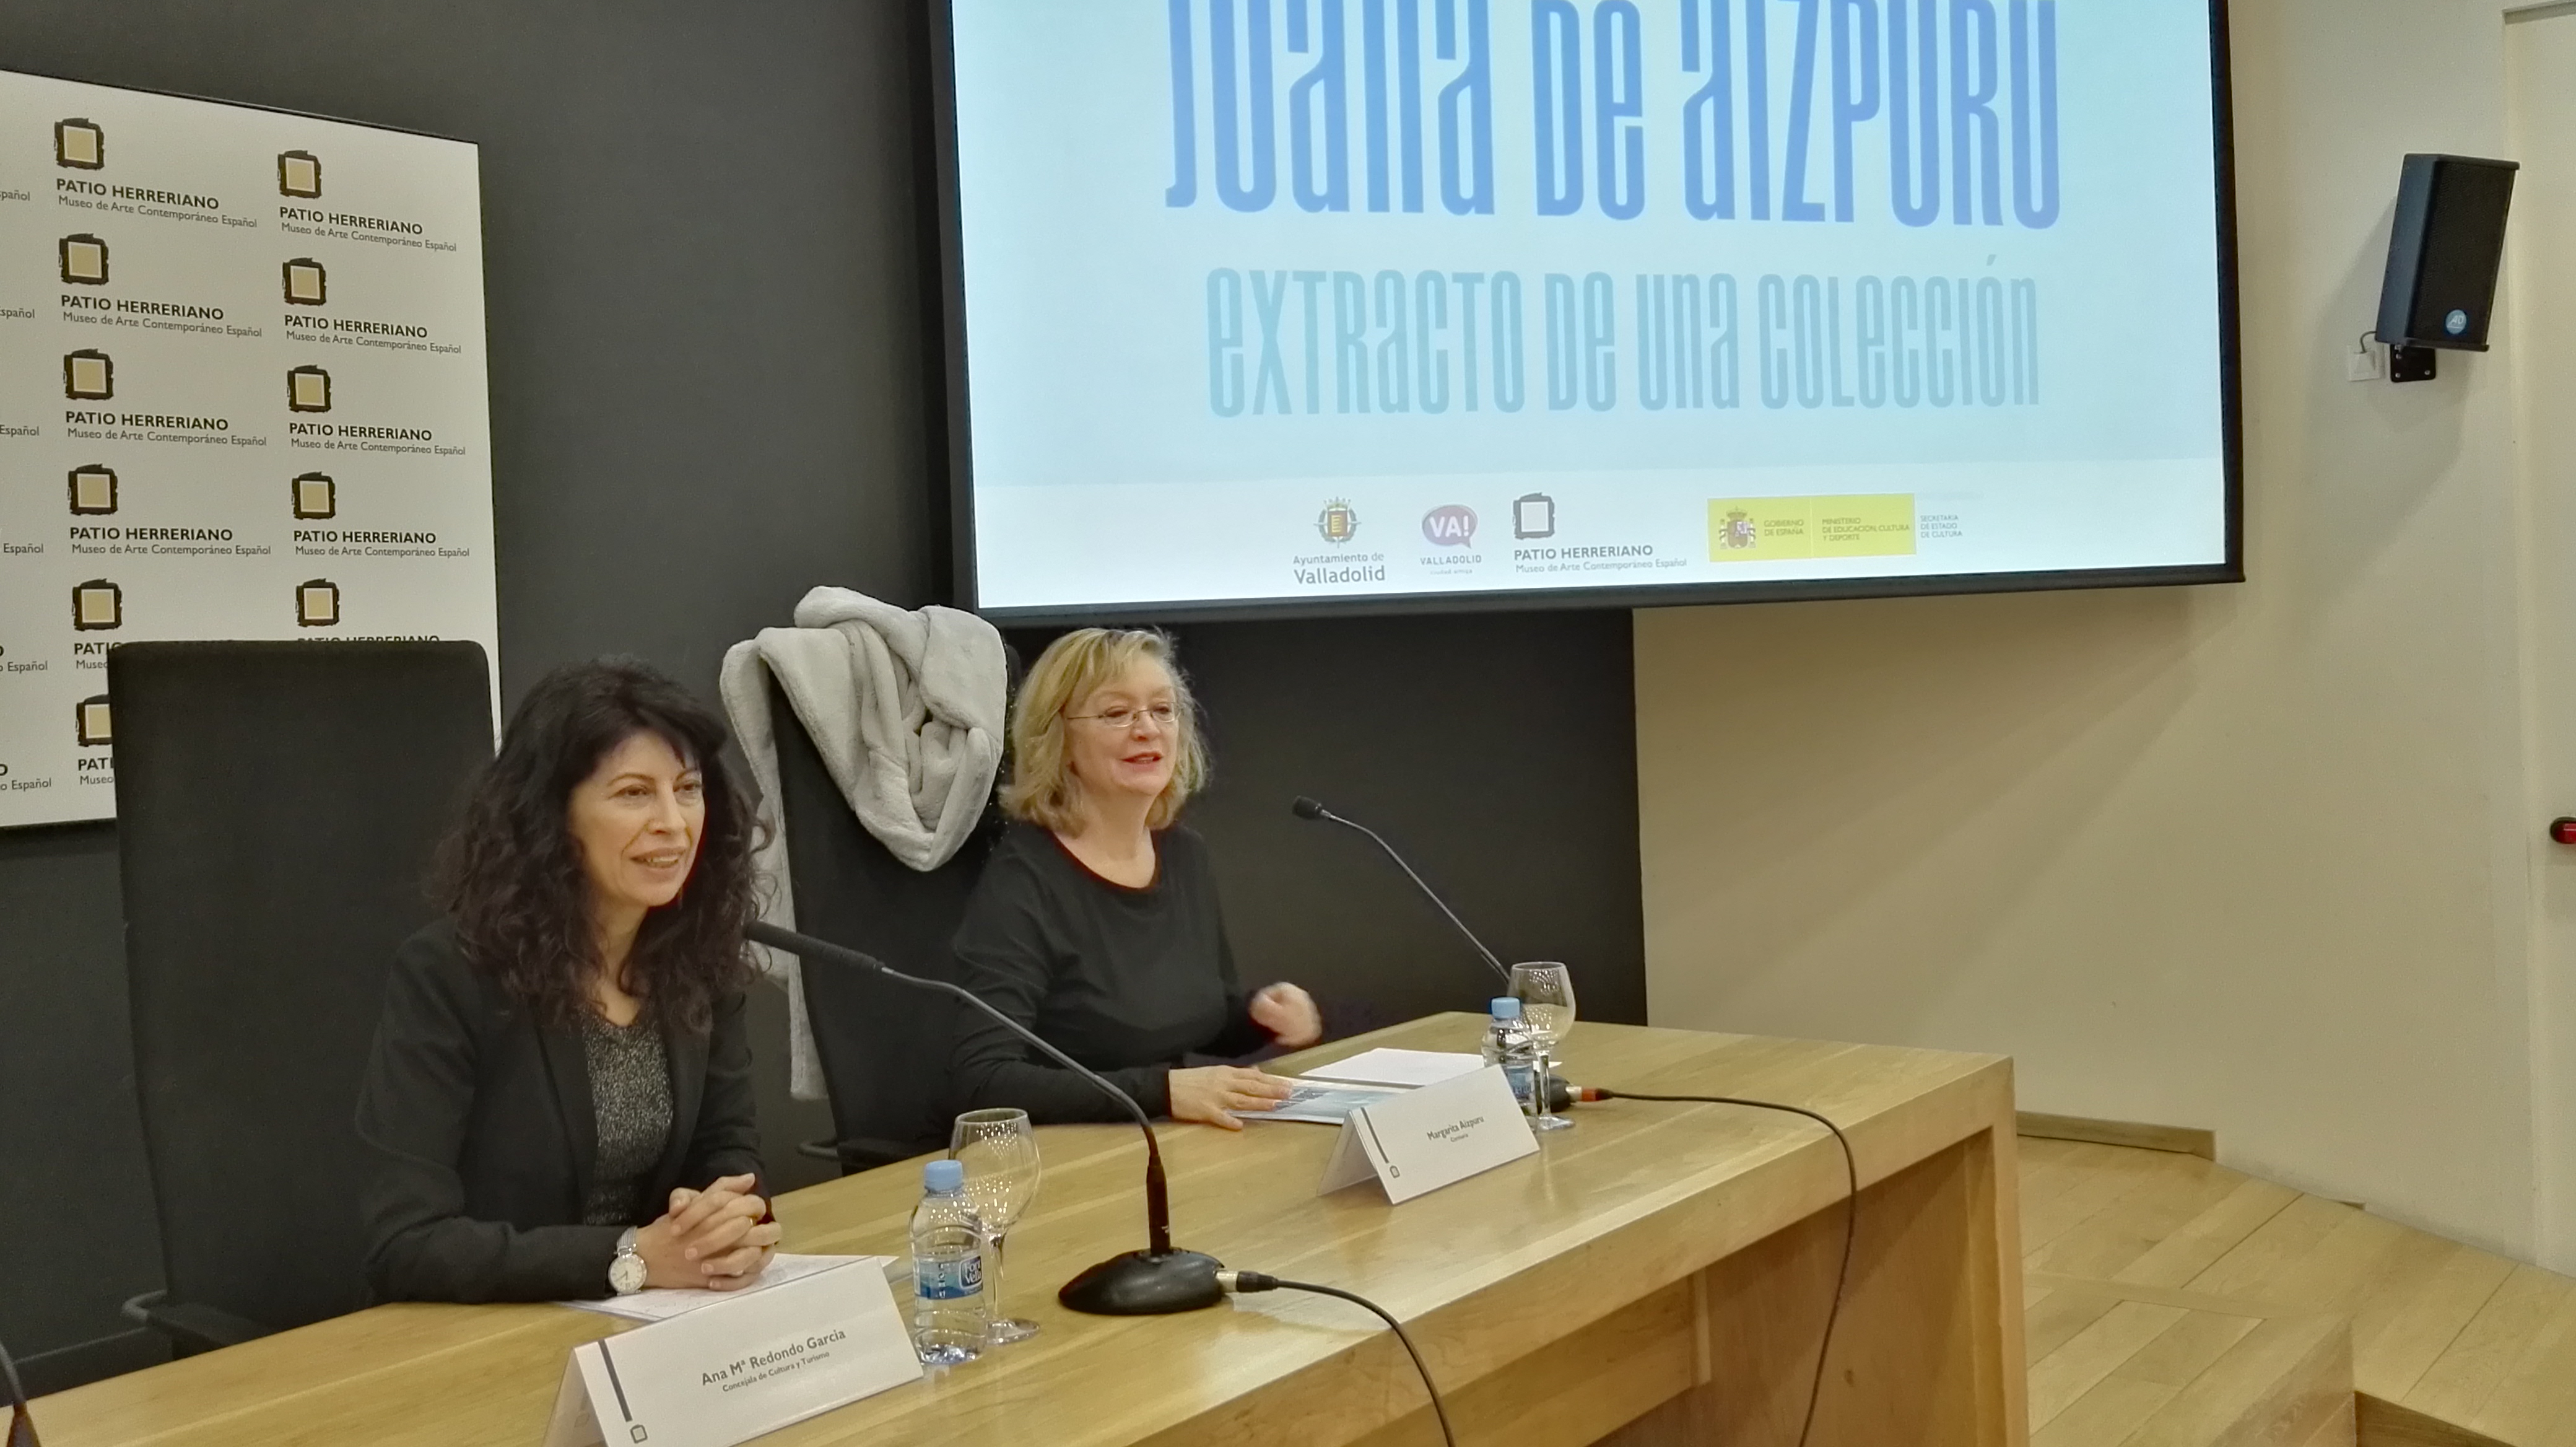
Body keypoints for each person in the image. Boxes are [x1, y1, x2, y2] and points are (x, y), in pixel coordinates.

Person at [356, 659, 781, 1303]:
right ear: (552, 814)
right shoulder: (449, 975)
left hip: (651, 1317)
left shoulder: (695, 957)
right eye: (634, 793)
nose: (673, 822)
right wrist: (630, 1257)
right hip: (487, 1327)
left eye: (688, 788)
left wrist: (730, 1222)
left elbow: (727, 1147)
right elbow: (406, 1241)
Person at [950, 628, 1320, 1129]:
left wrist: (1260, 1015)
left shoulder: (1184, 854)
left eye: (1163, 710)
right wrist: (1163, 1092)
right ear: (1057, 740)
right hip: (1063, 1154)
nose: (1147, 728)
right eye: (1116, 713)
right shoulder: (1025, 880)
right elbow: (983, 1079)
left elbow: (1195, 1020)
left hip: (1159, 1138)